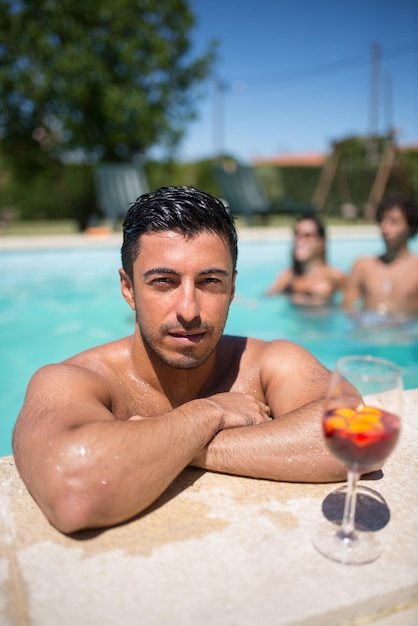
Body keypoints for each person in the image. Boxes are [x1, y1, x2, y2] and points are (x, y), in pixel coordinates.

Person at [13, 186, 353, 534]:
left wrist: (171, 445)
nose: (189, 310)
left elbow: (356, 435)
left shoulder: (268, 363)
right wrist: (209, 412)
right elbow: (73, 493)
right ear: (129, 289)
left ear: (232, 290)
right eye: (164, 281)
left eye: (209, 281)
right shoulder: (73, 380)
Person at [343, 193, 418, 319]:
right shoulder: (362, 266)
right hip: (366, 333)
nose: (385, 227)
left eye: (394, 222)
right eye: (382, 220)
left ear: (410, 227)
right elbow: (347, 308)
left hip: (405, 334)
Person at [265, 215, 345, 306]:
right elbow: (266, 299)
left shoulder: (334, 275)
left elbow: (351, 302)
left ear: (321, 242)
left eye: (307, 236)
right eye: (297, 235)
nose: (300, 240)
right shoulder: (287, 276)